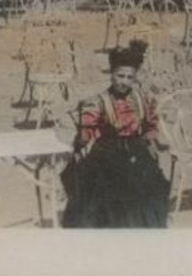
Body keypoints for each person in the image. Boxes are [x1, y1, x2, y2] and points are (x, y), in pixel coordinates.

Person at [61, 39, 171, 228]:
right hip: (107, 154)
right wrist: (80, 138)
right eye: (120, 76)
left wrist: (149, 141)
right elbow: (88, 130)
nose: (124, 82)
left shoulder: (141, 98)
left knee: (147, 187)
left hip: (137, 151)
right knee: (109, 195)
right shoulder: (98, 101)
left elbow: (151, 124)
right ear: (111, 74)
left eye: (130, 77)